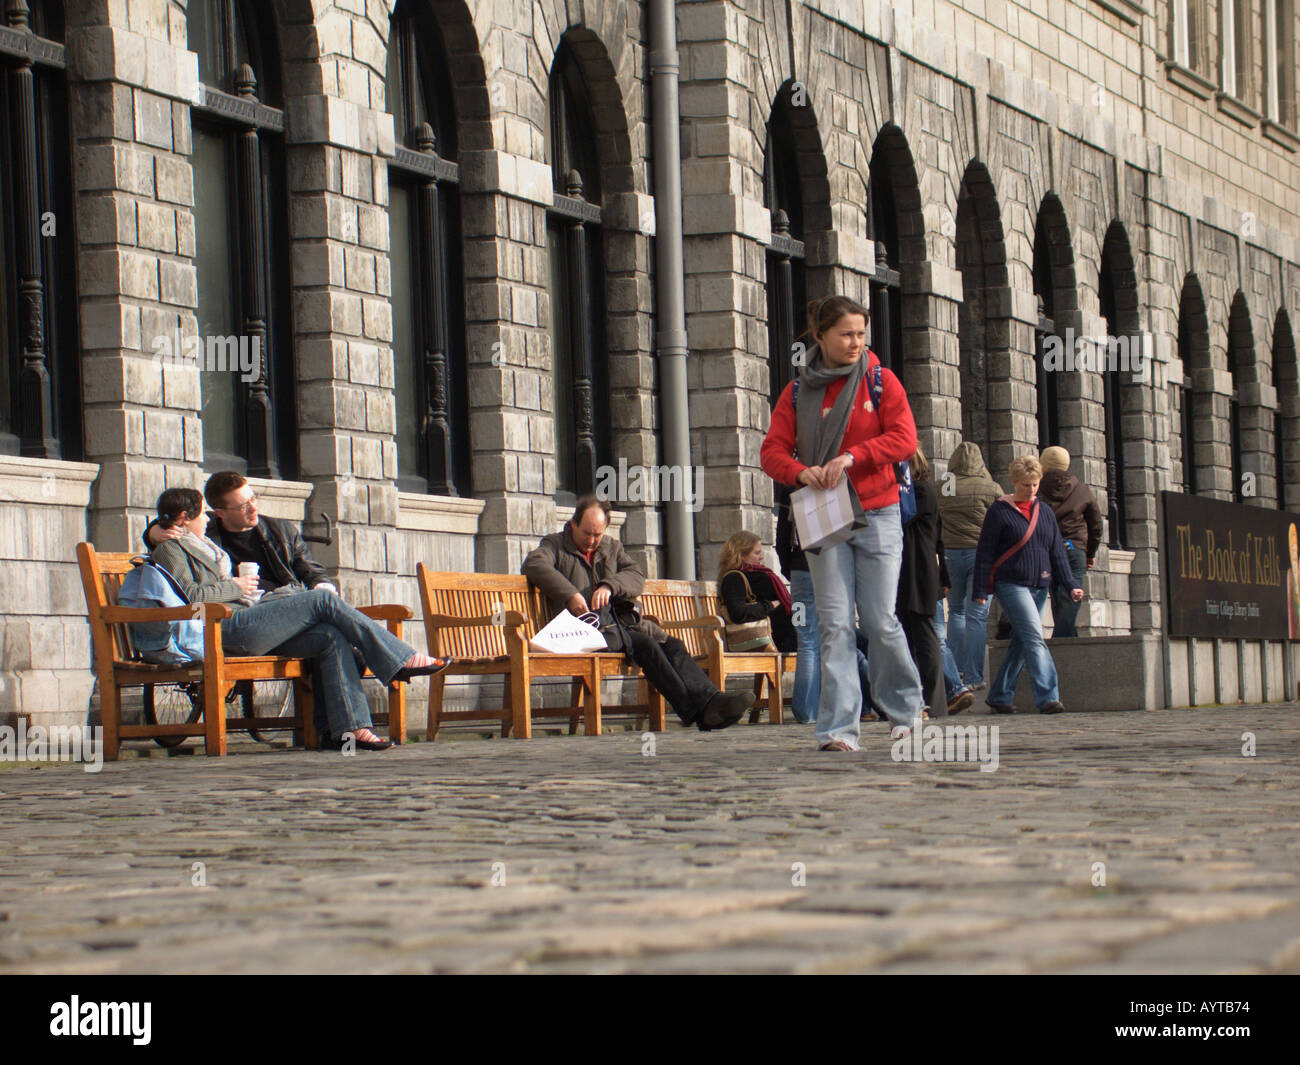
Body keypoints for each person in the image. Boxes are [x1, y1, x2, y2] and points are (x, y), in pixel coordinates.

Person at [148, 488, 449, 750]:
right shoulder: (170, 547)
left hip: (250, 615)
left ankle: (348, 730)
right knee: (323, 601)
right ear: (186, 517)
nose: (207, 519)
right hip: (222, 628)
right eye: (202, 514)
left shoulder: (207, 543)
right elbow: (193, 596)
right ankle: (400, 660)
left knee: (331, 636)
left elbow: (306, 567)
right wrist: (234, 586)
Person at [761, 294, 925, 751]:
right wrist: (799, 472)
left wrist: (853, 457)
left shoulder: (881, 381)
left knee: (879, 619)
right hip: (825, 513)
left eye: (861, 334)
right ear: (820, 336)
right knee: (833, 623)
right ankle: (838, 730)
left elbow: (904, 439)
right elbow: (772, 451)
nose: (856, 342)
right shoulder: (797, 391)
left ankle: (906, 711)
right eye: (846, 334)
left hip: (878, 511)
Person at [523, 496, 754, 731]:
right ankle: (701, 711)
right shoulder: (555, 544)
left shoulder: (612, 547)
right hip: (583, 632)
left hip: (618, 626)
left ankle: (710, 702)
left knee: (671, 643)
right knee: (646, 645)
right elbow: (534, 564)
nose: (592, 541)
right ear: (573, 524)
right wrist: (570, 594)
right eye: (586, 534)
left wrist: (610, 585)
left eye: (597, 534)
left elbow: (636, 575)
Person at [972, 456, 1083, 715]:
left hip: (1039, 584)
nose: (1031, 490)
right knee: (1034, 637)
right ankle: (1048, 697)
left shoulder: (1044, 512)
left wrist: (1070, 585)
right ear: (1013, 482)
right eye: (1025, 485)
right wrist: (980, 589)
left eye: (1034, 484)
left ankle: (1000, 694)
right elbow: (985, 552)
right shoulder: (999, 511)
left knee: (1022, 640)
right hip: (1011, 584)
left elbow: (1056, 552)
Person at [775, 487, 879, 725]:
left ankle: (805, 710)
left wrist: (788, 566)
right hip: (832, 565)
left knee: (807, 641)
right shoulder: (836, 478)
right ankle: (851, 705)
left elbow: (783, 534)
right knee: (839, 634)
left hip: (800, 568)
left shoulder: (791, 483)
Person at [145, 471, 334, 596]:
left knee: (327, 618)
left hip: (284, 598)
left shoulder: (281, 531)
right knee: (325, 618)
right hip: (242, 609)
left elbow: (311, 570)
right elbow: (180, 521)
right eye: (243, 506)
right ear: (220, 512)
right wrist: (153, 532)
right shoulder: (206, 530)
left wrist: (321, 585)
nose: (254, 509)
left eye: (253, 498)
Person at [937, 441, 1001, 690]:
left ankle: (958, 671)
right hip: (980, 555)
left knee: (955, 612)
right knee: (976, 616)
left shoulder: (944, 486)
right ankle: (976, 676)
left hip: (950, 554)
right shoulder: (990, 487)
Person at [1038, 446, 1102, 637]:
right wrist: (1090, 553)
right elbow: (1096, 525)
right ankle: (1064, 640)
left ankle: (1065, 640)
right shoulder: (1082, 489)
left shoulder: (1036, 487)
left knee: (1057, 594)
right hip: (1074, 547)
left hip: (1048, 548)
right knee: (1071, 595)